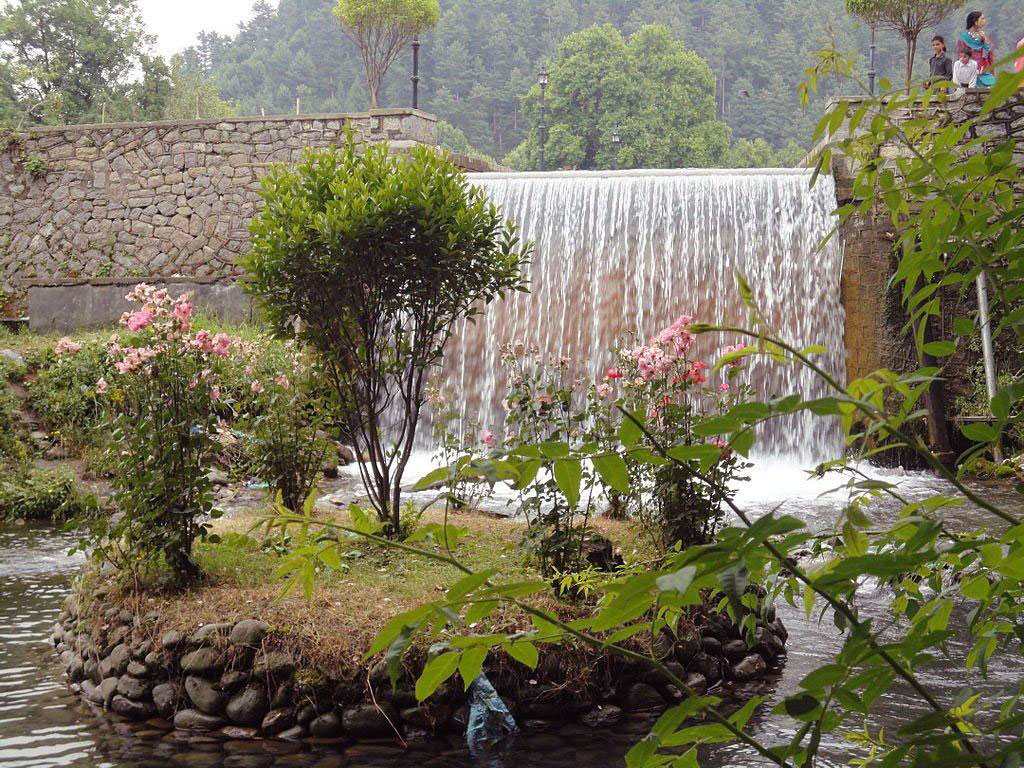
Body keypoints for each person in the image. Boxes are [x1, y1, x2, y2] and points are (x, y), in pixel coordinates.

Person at [957, 10, 996, 87]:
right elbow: (961, 57)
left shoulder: (983, 36)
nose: (985, 21)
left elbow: (989, 54)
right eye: (982, 19)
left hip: (984, 71)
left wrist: (984, 40)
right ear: (975, 22)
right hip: (969, 72)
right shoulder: (964, 38)